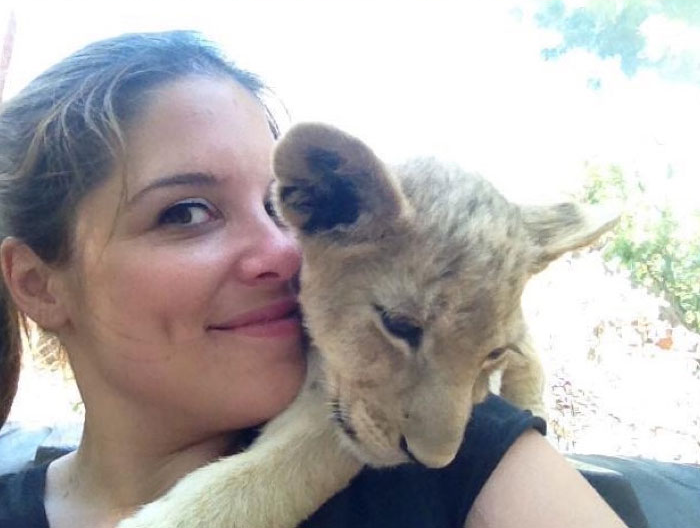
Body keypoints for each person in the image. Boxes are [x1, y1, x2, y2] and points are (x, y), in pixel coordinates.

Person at [0, 31, 629, 528]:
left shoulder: (465, 458)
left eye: (280, 206)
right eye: (187, 212)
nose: (287, 248)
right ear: (37, 284)